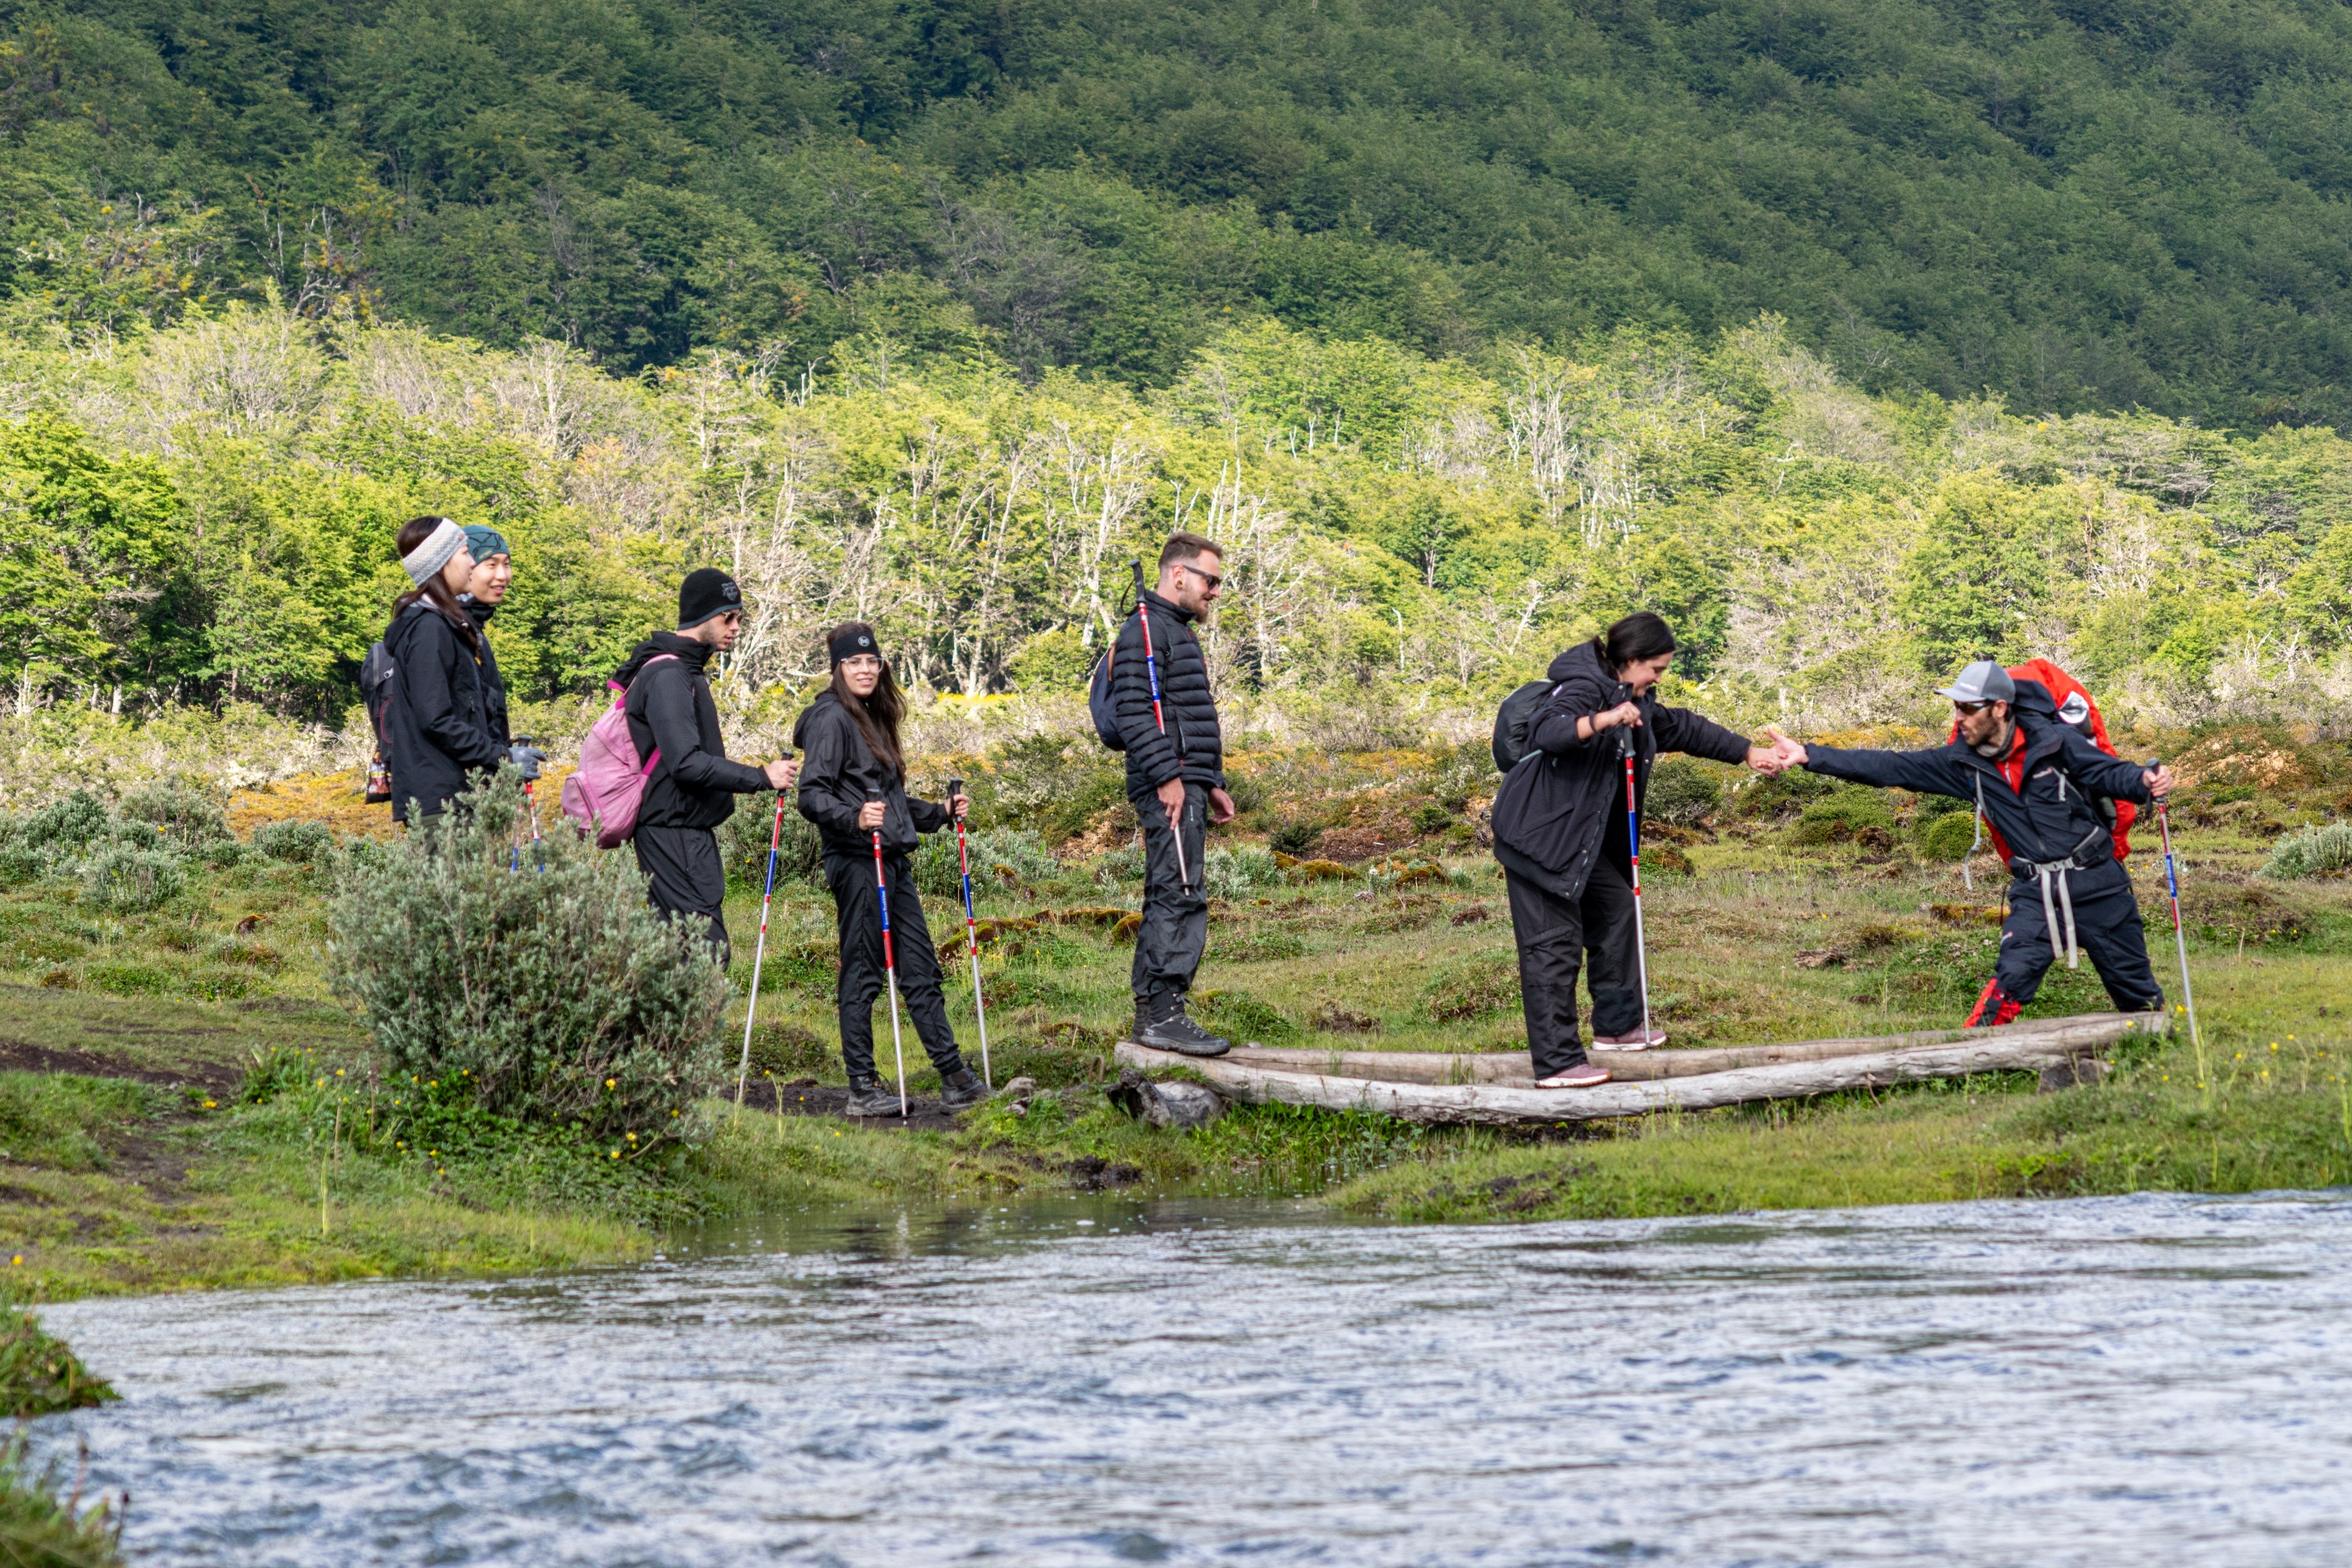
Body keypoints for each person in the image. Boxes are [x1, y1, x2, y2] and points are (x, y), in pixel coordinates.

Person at [1766, 660, 2176, 1026]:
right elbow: (1890, 766)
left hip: (2098, 886)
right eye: (1956, 707)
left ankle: (2155, 1051)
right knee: (2009, 982)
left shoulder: (2055, 744)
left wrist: (2145, 781)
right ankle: (1970, 1065)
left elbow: (2107, 773)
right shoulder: (1963, 764)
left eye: (1967, 707)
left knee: (2137, 996)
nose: (1958, 717)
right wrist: (1809, 755)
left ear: (1999, 708)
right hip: (2036, 893)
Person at [1490, 612, 1787, 1088]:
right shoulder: (1583, 687)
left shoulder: (1636, 700)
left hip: (1578, 845)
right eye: (1656, 669)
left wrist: (1748, 752)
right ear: (1630, 661)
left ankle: (1618, 1028)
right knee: (1553, 949)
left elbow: (1684, 729)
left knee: (1616, 911)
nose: (1657, 679)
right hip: (1538, 839)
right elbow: (1550, 732)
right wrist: (1605, 719)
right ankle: (1558, 1064)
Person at [793, 622, 989, 1116]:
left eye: (872, 662)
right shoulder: (831, 719)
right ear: (838, 668)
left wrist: (940, 813)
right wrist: (853, 819)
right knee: (862, 972)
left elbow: (891, 804)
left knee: (920, 968)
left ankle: (955, 1078)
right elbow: (813, 794)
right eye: (854, 662)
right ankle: (861, 1087)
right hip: (857, 861)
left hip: (891, 861)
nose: (865, 669)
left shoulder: (872, 716)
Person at [610, 568, 796, 960]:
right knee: (704, 953)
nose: (736, 627)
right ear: (700, 617)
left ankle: (664, 1021)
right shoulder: (668, 674)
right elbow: (686, 764)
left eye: (739, 618)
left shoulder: (686, 670)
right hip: (671, 831)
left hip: (683, 829)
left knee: (685, 951)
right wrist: (761, 777)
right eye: (728, 617)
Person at [1111, 532, 1236, 1056]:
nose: (1215, 592)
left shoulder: (1173, 630)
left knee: (1180, 890)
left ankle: (1162, 1013)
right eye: (1210, 580)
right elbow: (1135, 713)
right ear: (1178, 574)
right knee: (1179, 892)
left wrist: (1212, 782)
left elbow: (1186, 716)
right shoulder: (1144, 630)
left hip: (1188, 784)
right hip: (1170, 786)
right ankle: (1162, 1015)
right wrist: (1168, 778)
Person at [381, 516, 507, 826]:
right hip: (440, 803)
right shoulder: (428, 628)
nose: (470, 562)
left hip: (456, 797)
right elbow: (435, 719)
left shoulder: (444, 625)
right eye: (465, 553)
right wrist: (503, 758)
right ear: (442, 561)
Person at [456, 524, 514, 748]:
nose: (502, 576)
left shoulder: (475, 631)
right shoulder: (447, 628)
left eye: (506, 565)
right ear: (465, 567)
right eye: (491, 564)